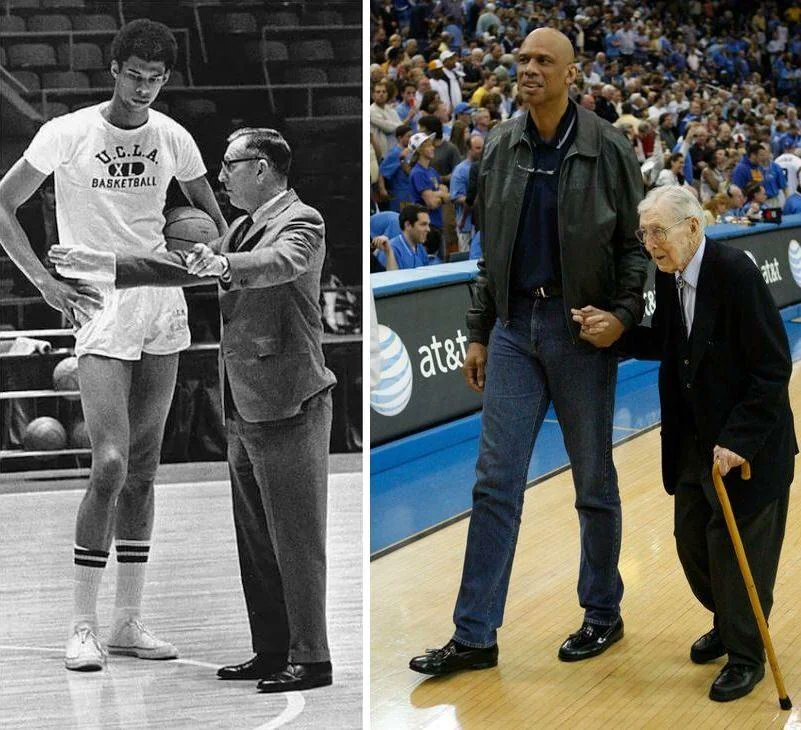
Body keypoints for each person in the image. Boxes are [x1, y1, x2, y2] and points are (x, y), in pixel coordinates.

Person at [51, 127, 337, 693]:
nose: (220, 176)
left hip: (291, 399)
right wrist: (103, 264)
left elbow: (277, 265)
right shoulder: (240, 227)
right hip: (246, 400)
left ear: (261, 168)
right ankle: (272, 649)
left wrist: (224, 266)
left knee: (297, 540)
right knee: (256, 542)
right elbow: (177, 269)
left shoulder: (303, 222)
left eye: (229, 164)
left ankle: (312, 657)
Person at [409, 28, 647, 676]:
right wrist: (480, 329)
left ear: (570, 75)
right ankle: (474, 635)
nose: (528, 70)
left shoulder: (609, 147)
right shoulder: (501, 147)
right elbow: (489, 251)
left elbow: (633, 248)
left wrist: (621, 316)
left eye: (543, 61)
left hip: (578, 329)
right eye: (522, 61)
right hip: (515, 326)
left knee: (593, 482)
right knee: (493, 483)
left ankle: (602, 613)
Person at [0, 18, 227, 672]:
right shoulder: (66, 133)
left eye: (155, 80)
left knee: (147, 467)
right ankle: (81, 624)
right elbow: (4, 202)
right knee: (109, 464)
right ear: (114, 68)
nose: (144, 89)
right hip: (101, 299)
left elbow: (210, 220)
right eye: (135, 76)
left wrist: (198, 245)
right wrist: (44, 282)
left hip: (162, 300)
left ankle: (128, 620)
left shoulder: (173, 138)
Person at [576, 185, 795, 702]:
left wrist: (740, 439)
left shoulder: (735, 274)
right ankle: (728, 621)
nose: (649, 242)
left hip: (749, 448)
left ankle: (746, 656)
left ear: (693, 228)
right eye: (643, 232)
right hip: (695, 440)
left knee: (735, 553)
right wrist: (618, 334)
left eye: (658, 231)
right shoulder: (671, 274)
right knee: (693, 545)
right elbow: (673, 344)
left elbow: (772, 366)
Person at [450, 134, 484, 251]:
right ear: (469, 149)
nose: (481, 151)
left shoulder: (485, 166)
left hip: (481, 223)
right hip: (466, 225)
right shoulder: (460, 170)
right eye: (478, 148)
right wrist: (475, 199)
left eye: (483, 148)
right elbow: (455, 197)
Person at [372, 203, 431, 269]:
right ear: (408, 225)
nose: (428, 229)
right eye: (423, 224)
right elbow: (389, 278)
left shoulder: (420, 248)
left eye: (428, 225)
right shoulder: (390, 250)